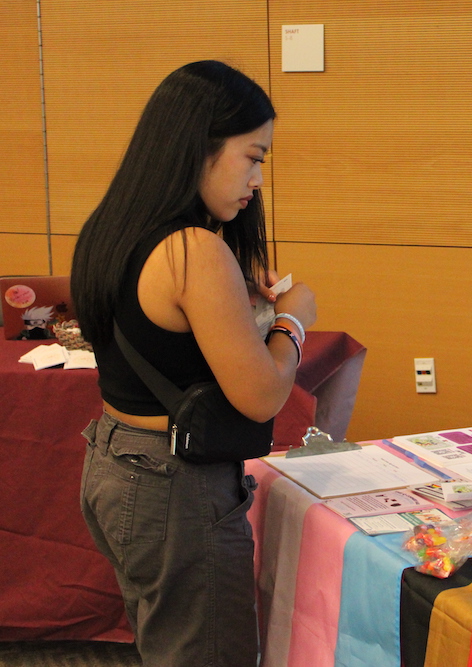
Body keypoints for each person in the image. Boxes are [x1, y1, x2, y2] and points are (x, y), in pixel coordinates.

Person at [71, 60, 317, 665]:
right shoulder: (192, 249)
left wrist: (244, 306)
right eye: (252, 156)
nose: (257, 179)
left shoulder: (113, 227)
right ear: (198, 147)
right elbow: (262, 396)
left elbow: (167, 340)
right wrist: (294, 318)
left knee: (170, 645)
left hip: (115, 459)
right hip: (171, 484)